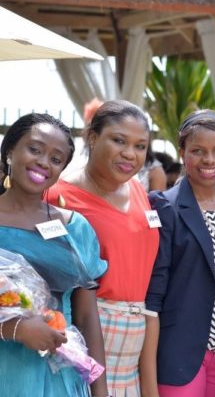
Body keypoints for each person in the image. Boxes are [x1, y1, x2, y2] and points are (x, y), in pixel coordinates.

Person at [47, 100, 160, 397]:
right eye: (119, 140)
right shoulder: (59, 195)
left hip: (135, 338)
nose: (130, 154)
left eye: (140, 146)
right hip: (87, 333)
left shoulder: (136, 188)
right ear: (93, 137)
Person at [143, 110, 215, 397]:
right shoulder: (165, 207)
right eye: (198, 151)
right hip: (181, 353)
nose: (209, 160)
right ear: (182, 152)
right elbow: (153, 298)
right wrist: (148, 381)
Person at [0, 113, 108, 396]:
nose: (43, 162)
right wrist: (17, 329)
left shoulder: (76, 229)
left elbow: (86, 316)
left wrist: (100, 391)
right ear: (10, 151)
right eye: (34, 149)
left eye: (56, 159)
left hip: (59, 373)